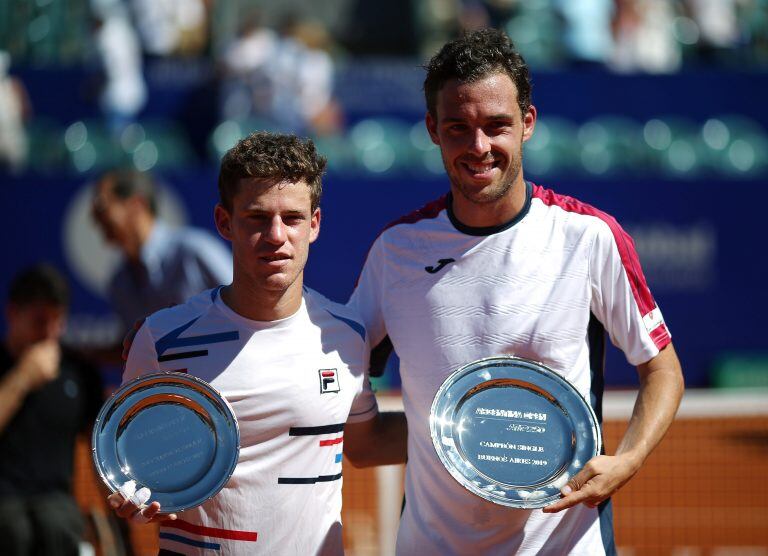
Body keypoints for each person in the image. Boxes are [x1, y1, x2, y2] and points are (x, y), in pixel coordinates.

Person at [348, 29, 684, 555]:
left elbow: (662, 368)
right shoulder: (396, 252)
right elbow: (346, 395)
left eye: (496, 126)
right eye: (458, 128)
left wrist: (627, 460)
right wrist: (440, 436)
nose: (479, 147)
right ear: (433, 129)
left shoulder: (589, 237)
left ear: (527, 123)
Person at [107, 132, 405, 555]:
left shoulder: (347, 335)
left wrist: (468, 438)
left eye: (293, 218)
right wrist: (132, 496)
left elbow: (366, 441)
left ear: (315, 225)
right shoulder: (160, 340)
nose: (276, 235)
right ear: (224, 222)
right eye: (257, 218)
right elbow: (130, 468)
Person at [0, 264, 103, 556]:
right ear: (12, 314)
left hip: (56, 502)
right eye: (39, 321)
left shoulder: (79, 372)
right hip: (5, 502)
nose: (49, 333)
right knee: (13, 527)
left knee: (56, 523)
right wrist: (21, 379)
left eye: (57, 321)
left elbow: (101, 446)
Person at [91, 168, 232, 362]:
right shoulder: (119, 281)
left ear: (136, 205)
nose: (93, 216)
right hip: (169, 390)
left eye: (101, 205)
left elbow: (249, 309)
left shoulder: (194, 251)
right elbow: (134, 349)